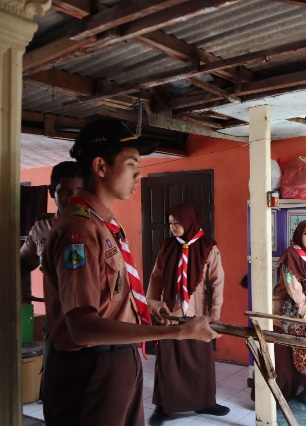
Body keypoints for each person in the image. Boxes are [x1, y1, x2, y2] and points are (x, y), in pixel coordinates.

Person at [41, 119, 217, 426]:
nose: (138, 173)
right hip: (92, 368)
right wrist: (176, 332)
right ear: (100, 166)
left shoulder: (104, 224)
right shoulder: (79, 230)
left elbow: (109, 294)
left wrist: (147, 306)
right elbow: (83, 328)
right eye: (132, 163)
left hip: (118, 359)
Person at [146, 203, 229, 423]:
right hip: (171, 314)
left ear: (189, 221)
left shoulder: (208, 247)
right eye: (170, 223)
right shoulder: (167, 247)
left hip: (197, 313)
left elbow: (217, 281)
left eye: (177, 222)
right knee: (168, 362)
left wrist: (215, 311)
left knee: (200, 360)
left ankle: (205, 403)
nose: (173, 226)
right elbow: (156, 276)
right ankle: (165, 407)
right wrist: (151, 304)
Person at [273, 220, 306, 402]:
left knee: (302, 350)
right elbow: (293, 289)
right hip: (283, 309)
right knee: (283, 358)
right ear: (298, 235)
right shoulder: (290, 257)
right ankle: (279, 398)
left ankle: (303, 390)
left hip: (304, 307)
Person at [20, 161, 83, 300]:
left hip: (93, 310)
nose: (73, 198)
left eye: (79, 191)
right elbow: (22, 264)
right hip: (56, 309)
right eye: (65, 190)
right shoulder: (42, 228)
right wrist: (14, 287)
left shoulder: (98, 226)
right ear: (51, 192)